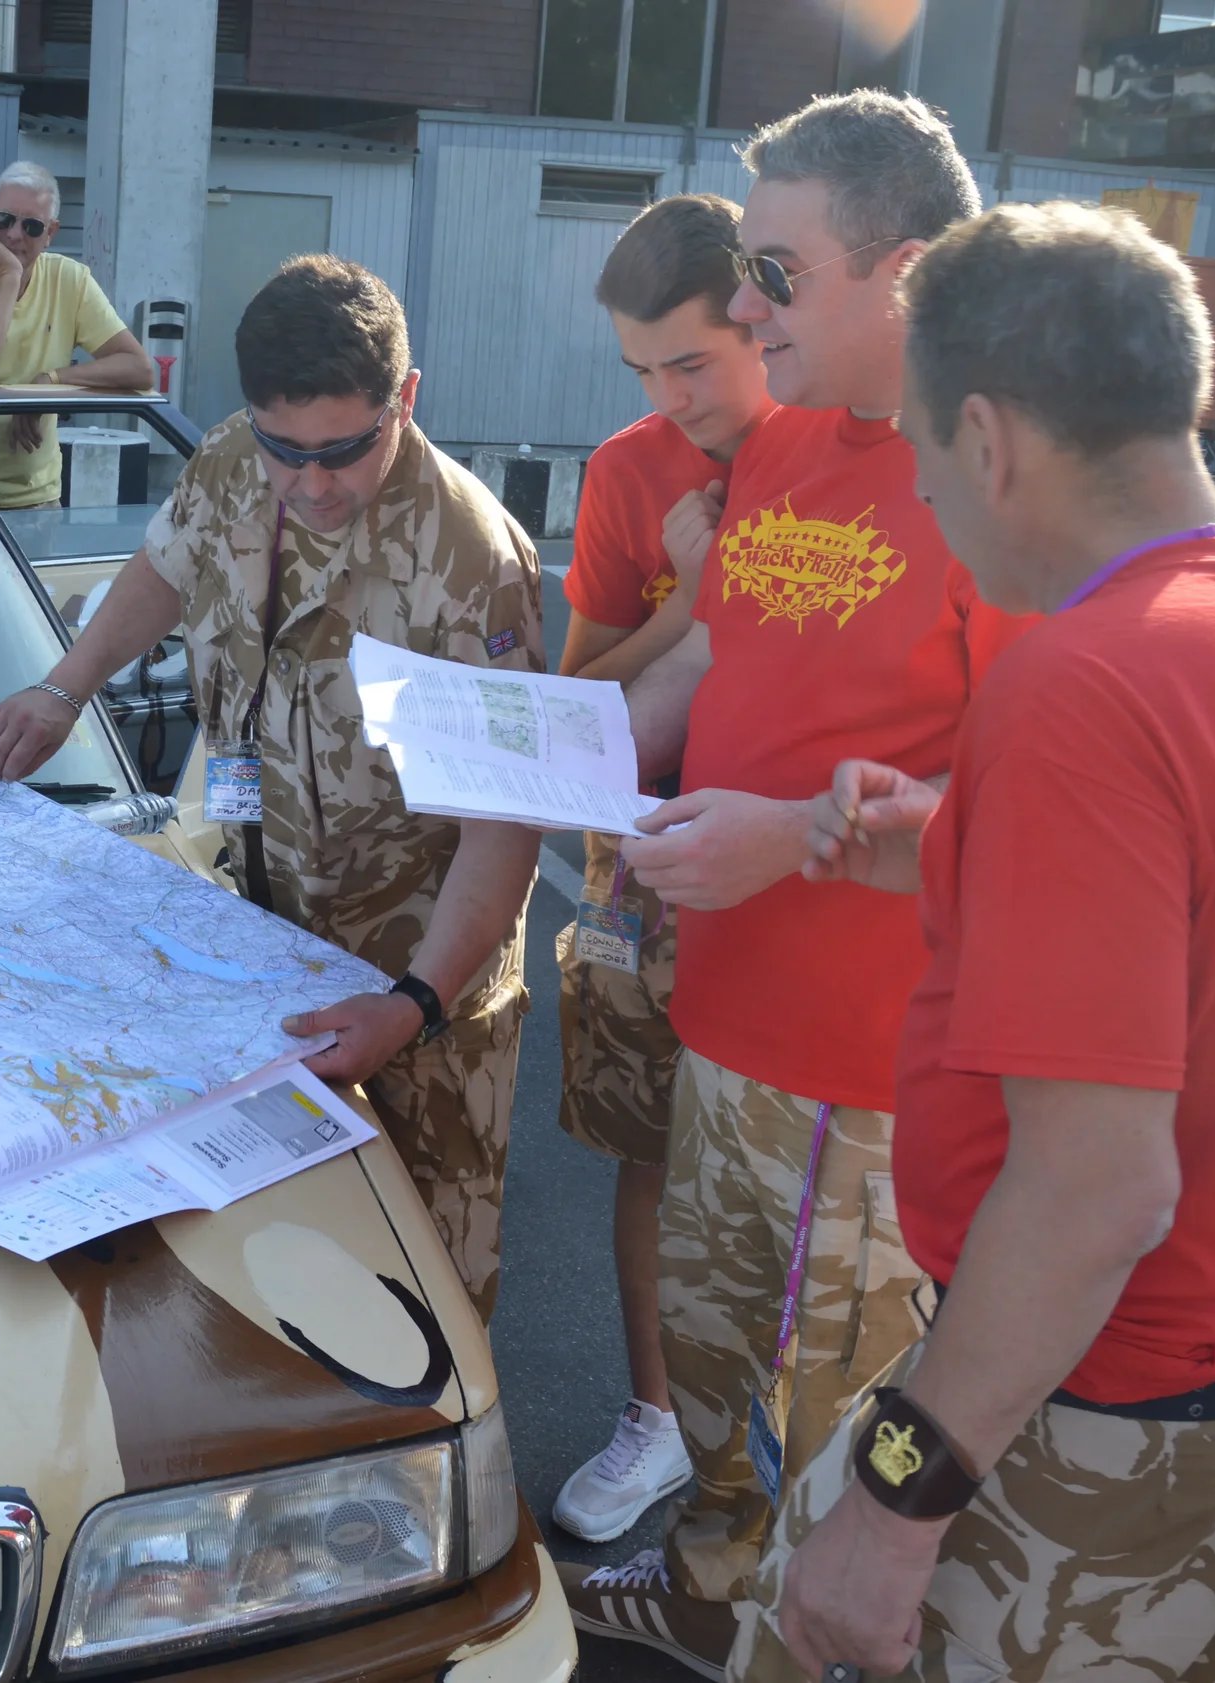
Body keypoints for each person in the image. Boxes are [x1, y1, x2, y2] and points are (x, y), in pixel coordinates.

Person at [743, 199, 1215, 1683]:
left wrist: (899, 1504)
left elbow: (1099, 1185)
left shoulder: (1086, 690)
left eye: (919, 451)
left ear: (988, 439)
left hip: (1090, 1448)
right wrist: (951, 837)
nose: (921, 493)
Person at [558, 92, 1023, 1679]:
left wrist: (788, 832)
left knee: (850, 1439)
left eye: (774, 270)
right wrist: (548, 768)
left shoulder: (1002, 480)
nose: (744, 306)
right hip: (728, 1032)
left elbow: (1040, 814)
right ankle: (708, 1596)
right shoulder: (786, 449)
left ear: (909, 268)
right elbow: (702, 653)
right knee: (712, 1382)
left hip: (877, 1086)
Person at [0, 256, 543, 1318]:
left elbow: (502, 830)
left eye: (343, 451)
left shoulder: (470, 563)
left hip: (413, 980)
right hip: (255, 950)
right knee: (269, 1265)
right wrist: (62, 691)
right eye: (286, 449)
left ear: (404, 402)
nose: (311, 483)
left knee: (428, 1282)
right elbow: (161, 571)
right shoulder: (235, 461)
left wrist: (411, 1005)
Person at [549, 192, 778, 1546]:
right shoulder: (633, 468)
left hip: (807, 882)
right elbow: (579, 690)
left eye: (692, 361)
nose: (670, 396)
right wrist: (688, 605)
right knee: (654, 1145)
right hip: (646, 863)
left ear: (761, 315)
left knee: (805, 1170)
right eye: (642, 368)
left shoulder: (846, 458)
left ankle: (778, 1451)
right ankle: (655, 1415)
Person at [0, 161, 153, 509]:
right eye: (4, 220)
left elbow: (140, 368)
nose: (14, 235)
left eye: (31, 226)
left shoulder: (71, 280)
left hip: (38, 501)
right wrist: (10, 277)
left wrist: (49, 384)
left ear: (50, 234)